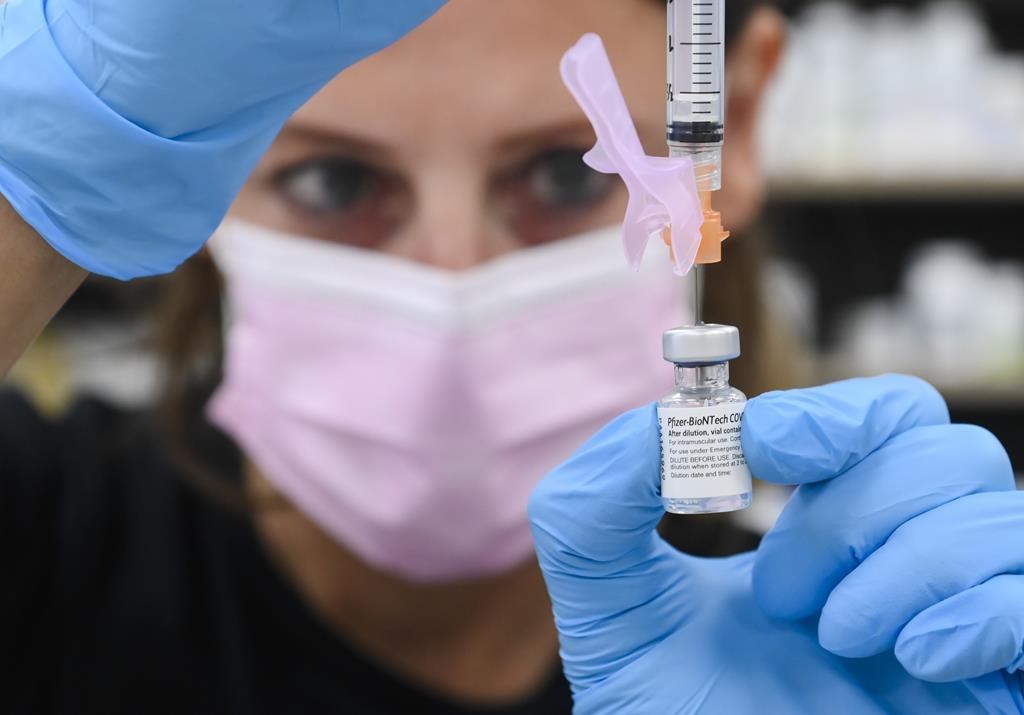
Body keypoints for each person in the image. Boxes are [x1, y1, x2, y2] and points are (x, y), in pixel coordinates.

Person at [0, 2, 1022, 714]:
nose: (452, 283)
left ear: (732, 121)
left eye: (561, 175)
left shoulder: (844, 632)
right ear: (177, 171)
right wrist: (28, 188)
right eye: (329, 183)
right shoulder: (42, 545)